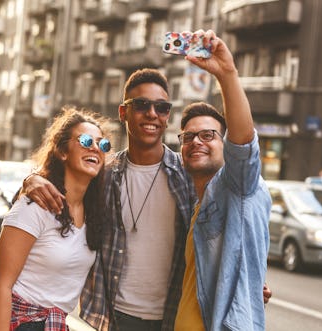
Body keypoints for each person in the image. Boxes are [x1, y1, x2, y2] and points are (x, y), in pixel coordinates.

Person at [22, 32, 271, 331]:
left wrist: (243, 279)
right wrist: (32, 180)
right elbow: (58, 183)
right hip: (110, 318)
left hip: (171, 317)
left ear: (167, 116)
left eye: (162, 107)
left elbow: (237, 192)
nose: (152, 113)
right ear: (124, 112)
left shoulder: (189, 172)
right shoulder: (103, 174)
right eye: (141, 105)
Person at [0, 107, 111, 331]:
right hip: (15, 322)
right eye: (85, 140)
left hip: (53, 324)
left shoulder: (94, 211)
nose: (95, 147)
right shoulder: (35, 206)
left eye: (103, 144)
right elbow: (1, 287)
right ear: (62, 152)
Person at [173, 30, 271, 330]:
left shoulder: (237, 185)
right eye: (188, 136)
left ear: (224, 143)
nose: (196, 141)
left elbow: (244, 146)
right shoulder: (198, 204)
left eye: (208, 135)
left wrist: (227, 74)